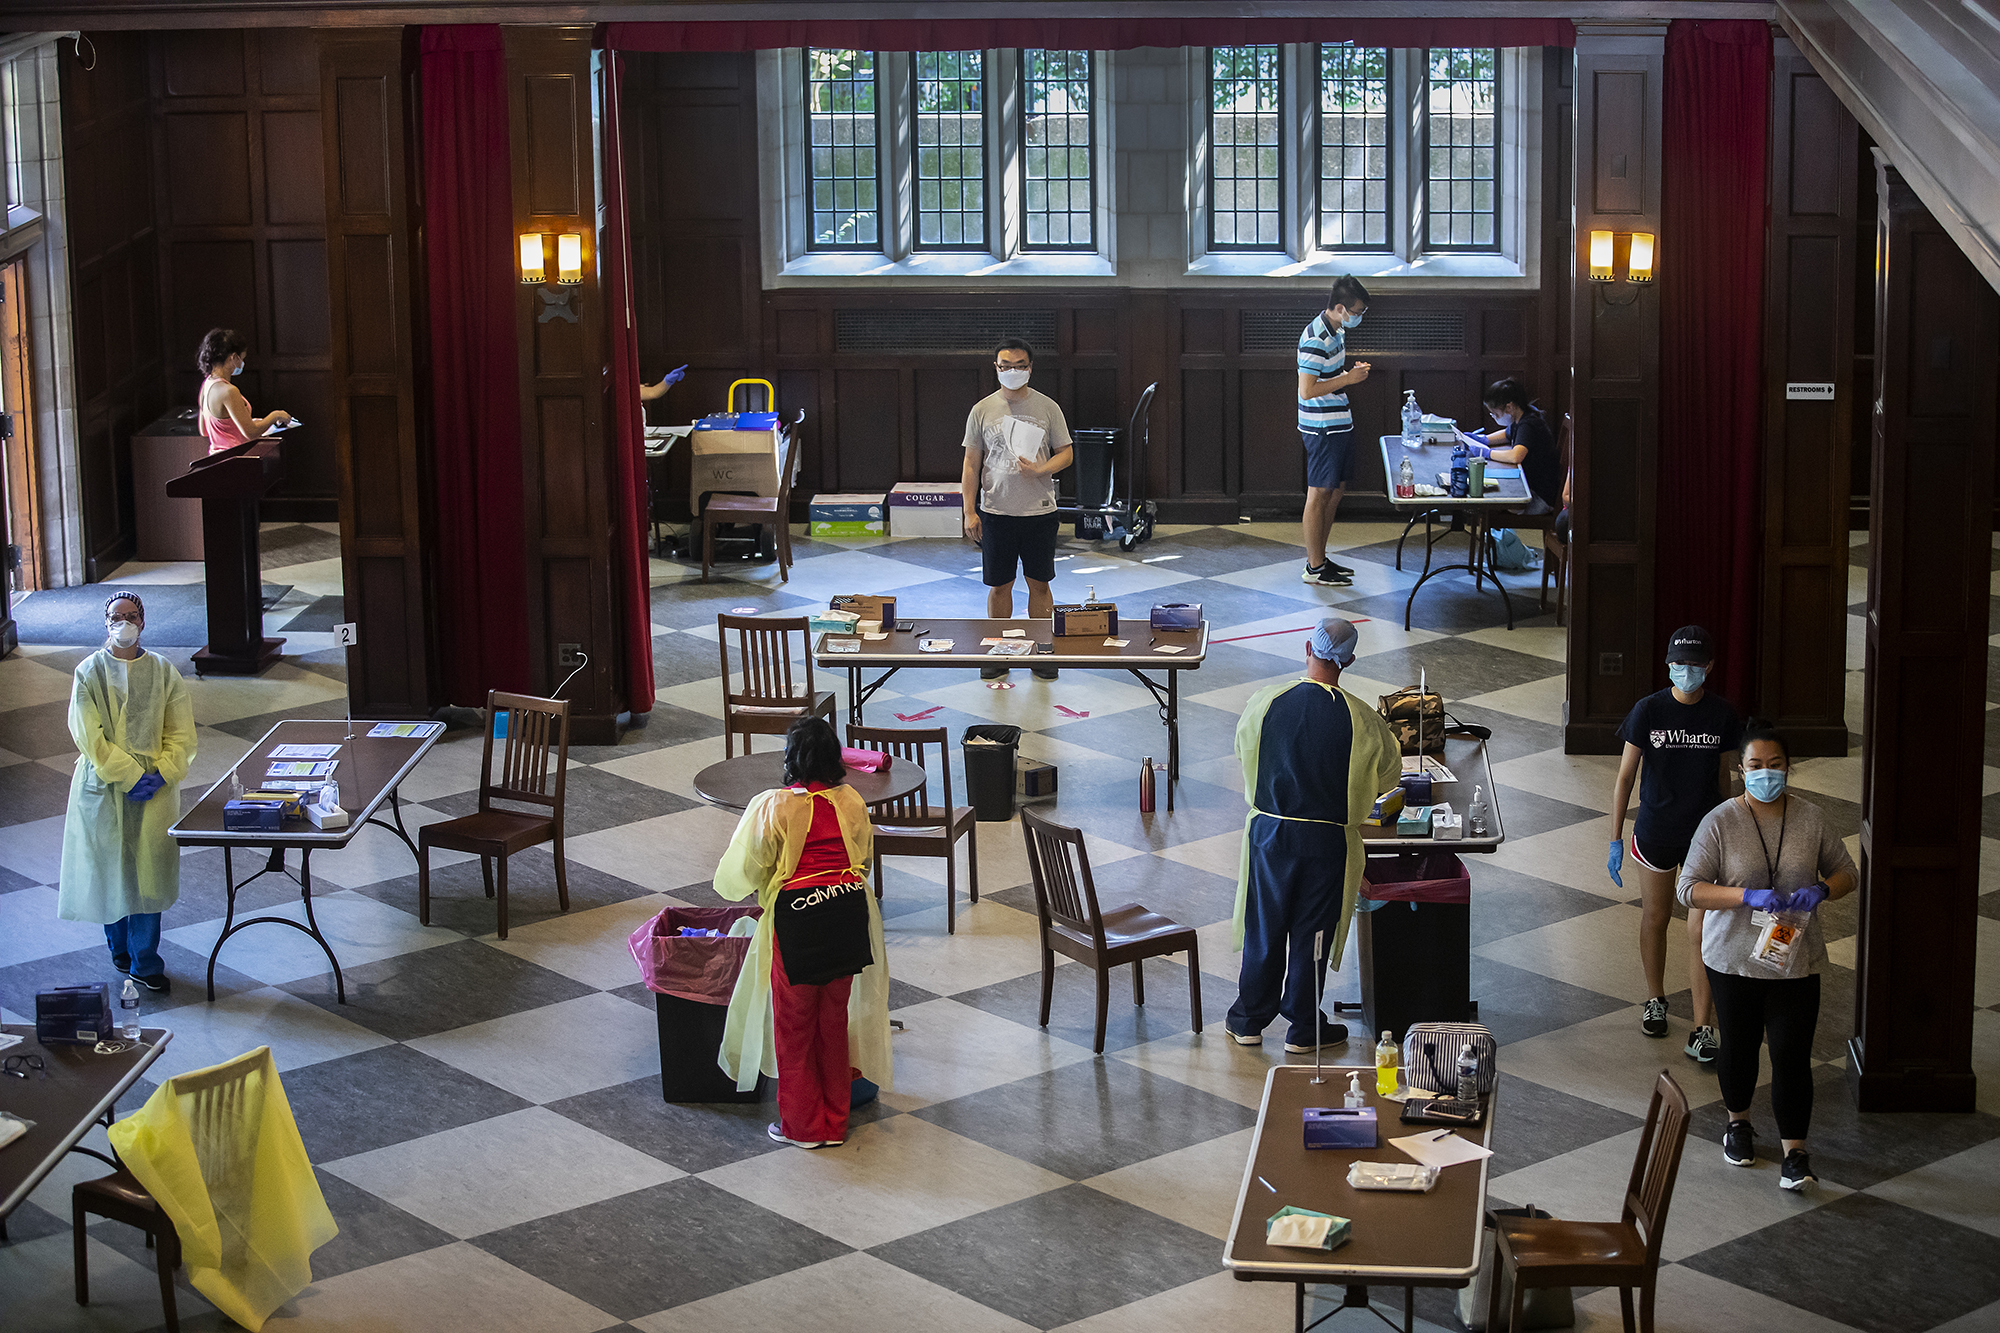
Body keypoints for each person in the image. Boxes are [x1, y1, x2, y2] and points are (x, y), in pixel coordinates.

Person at [1677, 719, 1854, 1190]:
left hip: (1796, 961)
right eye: (1756, 765)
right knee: (1738, 1046)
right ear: (1740, 769)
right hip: (1733, 959)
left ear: (1789, 768)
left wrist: (1821, 890)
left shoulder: (1811, 818)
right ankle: (1739, 1124)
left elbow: (1846, 873)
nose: (1766, 774)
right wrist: (1745, 898)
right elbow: (1688, 889)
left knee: (1792, 1055)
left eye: (1775, 765)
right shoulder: (1720, 822)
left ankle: (1796, 1153)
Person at [714, 717, 892, 1148]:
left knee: (794, 1026)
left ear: (791, 759)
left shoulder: (773, 805)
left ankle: (802, 1126)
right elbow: (863, 854)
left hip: (799, 919)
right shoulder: (851, 800)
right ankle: (835, 1122)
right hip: (849, 912)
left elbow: (742, 874)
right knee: (833, 1022)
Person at [1227, 617, 1402, 1051]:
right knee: (1313, 933)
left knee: (1263, 924)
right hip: (1327, 843)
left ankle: (1248, 1020)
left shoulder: (1267, 701)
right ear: (1351, 660)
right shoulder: (1363, 718)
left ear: (1308, 647)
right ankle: (1304, 1027)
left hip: (1269, 833)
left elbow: (1242, 750)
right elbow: (1387, 780)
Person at [1609, 625, 1742, 1064]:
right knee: (1656, 916)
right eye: (1678, 664)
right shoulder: (1648, 711)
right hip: (1656, 830)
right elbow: (1626, 775)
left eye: (1695, 665)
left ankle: (1704, 1026)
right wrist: (1614, 837)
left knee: (1700, 928)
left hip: (1706, 836)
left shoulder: (1722, 715)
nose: (1686, 672)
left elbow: (1725, 777)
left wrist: (1733, 828)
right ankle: (1655, 998)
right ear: (1668, 665)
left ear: (1709, 668)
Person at [57, 593, 197, 993]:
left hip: (154, 788)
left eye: (131, 616)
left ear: (143, 622)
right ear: (105, 623)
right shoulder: (89, 672)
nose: (124, 623)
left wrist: (162, 771)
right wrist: (126, 775)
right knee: (110, 867)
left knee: (148, 872)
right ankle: (120, 947)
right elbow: (89, 736)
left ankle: (145, 961)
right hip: (102, 785)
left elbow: (181, 732)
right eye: (116, 617)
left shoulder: (163, 672)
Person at [960, 338, 1073, 682]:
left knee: (1039, 584)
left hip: (1039, 512)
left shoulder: (1048, 408)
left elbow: (1066, 453)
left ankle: (1041, 650)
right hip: (995, 512)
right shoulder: (982, 410)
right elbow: (970, 462)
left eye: (1019, 365)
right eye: (1005, 365)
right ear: (995, 368)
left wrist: (1041, 470)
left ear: (1030, 367)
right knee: (999, 585)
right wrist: (969, 510)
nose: (1012, 371)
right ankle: (998, 649)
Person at [1296, 276, 1373, 588]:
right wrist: (1348, 380)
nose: (1359, 317)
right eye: (1356, 311)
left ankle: (1322, 558)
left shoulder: (1336, 330)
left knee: (1336, 491)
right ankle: (1314, 567)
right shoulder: (1317, 338)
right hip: (1322, 427)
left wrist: (1348, 374)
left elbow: (1328, 375)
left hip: (1339, 422)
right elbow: (1307, 390)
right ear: (1340, 308)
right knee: (1319, 494)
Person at [1461, 378, 1563, 516]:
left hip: (1539, 498)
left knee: (1483, 501)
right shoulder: (1521, 417)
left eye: (1496, 414)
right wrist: (1483, 439)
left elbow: (1516, 456)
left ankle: (1487, 534)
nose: (1495, 417)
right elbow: (1507, 434)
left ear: (1509, 407)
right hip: (1533, 487)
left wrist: (1486, 453)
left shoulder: (1528, 424)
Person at [196, 328, 291, 454]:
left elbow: (204, 431)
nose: (242, 363)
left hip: (215, 459)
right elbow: (251, 433)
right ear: (233, 357)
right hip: (236, 459)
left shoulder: (207, 384)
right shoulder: (229, 391)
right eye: (242, 358)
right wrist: (275, 416)